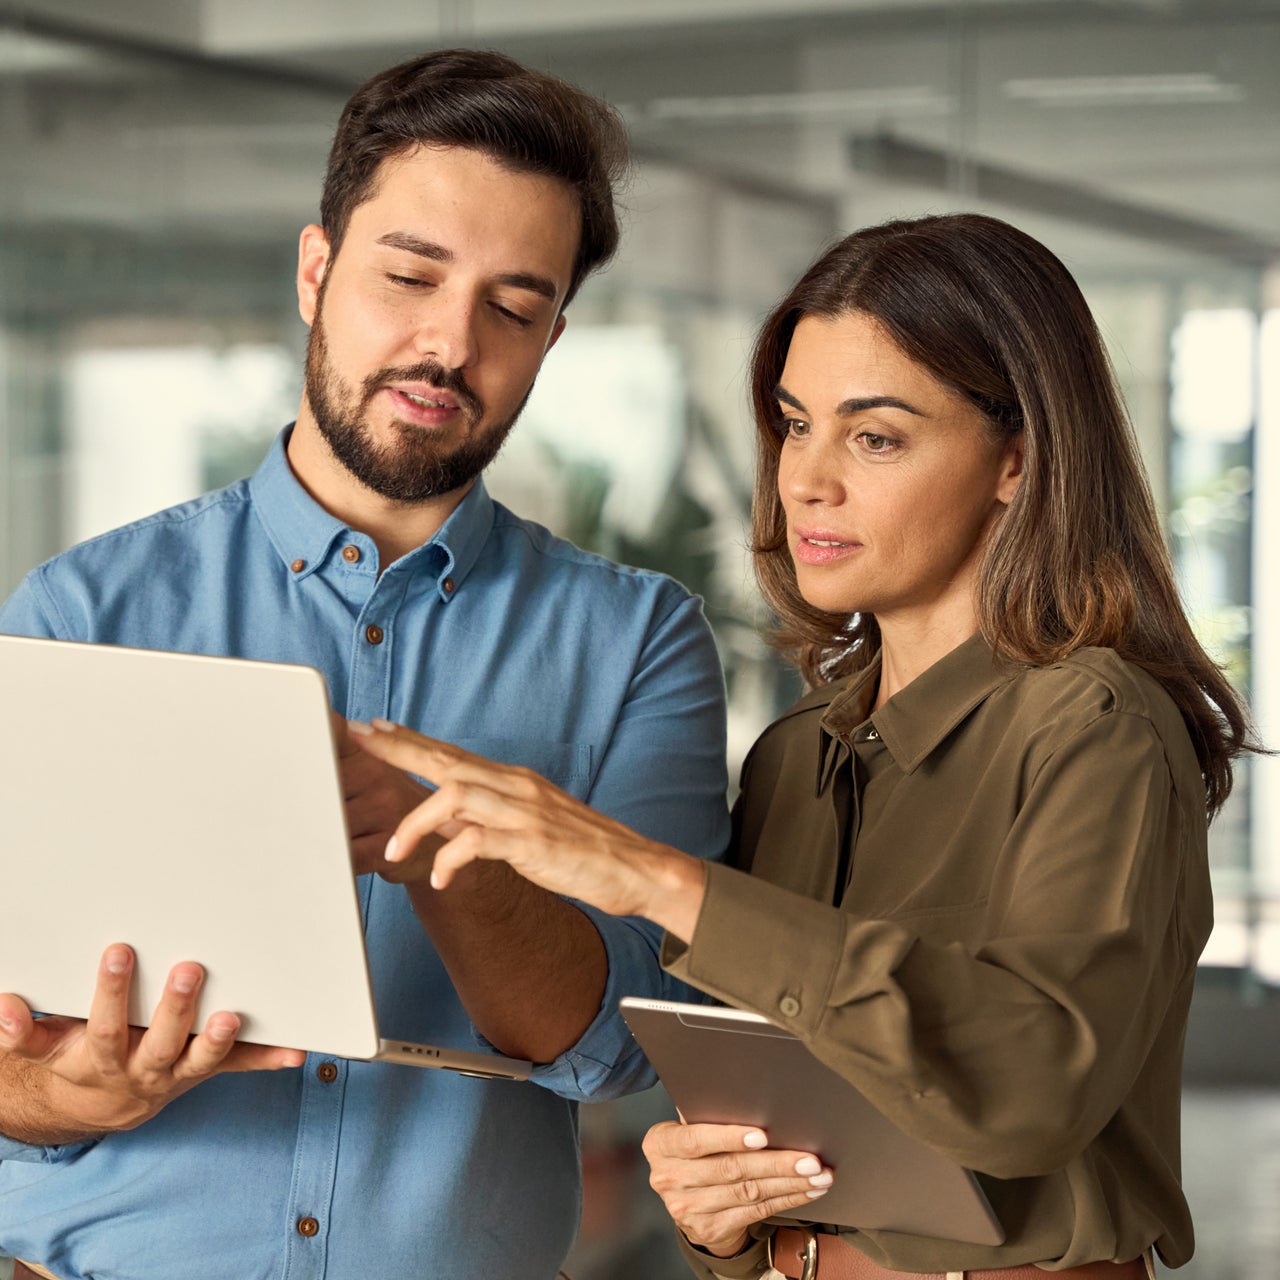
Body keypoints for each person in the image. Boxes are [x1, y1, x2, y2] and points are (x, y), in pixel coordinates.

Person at [344, 213, 1258, 1280]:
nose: (805, 479)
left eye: (874, 436)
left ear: (1015, 459)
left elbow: (1028, 1089)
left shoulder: (1095, 726)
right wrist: (716, 1209)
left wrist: (651, 876)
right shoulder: (792, 761)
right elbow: (783, 1128)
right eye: (792, 424)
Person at [0, 50, 730, 1280]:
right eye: (408, 275)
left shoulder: (636, 641)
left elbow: (621, 1048)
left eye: (513, 305)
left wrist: (429, 830)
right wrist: (60, 1098)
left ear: (552, 337)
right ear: (314, 271)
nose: (449, 343)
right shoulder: (79, 611)